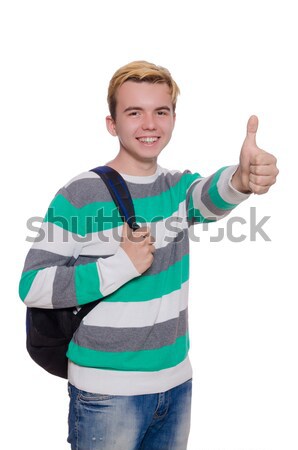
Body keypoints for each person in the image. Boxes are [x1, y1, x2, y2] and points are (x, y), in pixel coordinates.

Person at [19, 60, 278, 450]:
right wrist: (119, 266)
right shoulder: (81, 193)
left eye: (161, 111)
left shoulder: (176, 189)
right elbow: (32, 285)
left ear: (174, 118)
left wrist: (243, 178)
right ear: (112, 124)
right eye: (134, 112)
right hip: (106, 395)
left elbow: (210, 195)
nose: (149, 124)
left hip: (176, 387)